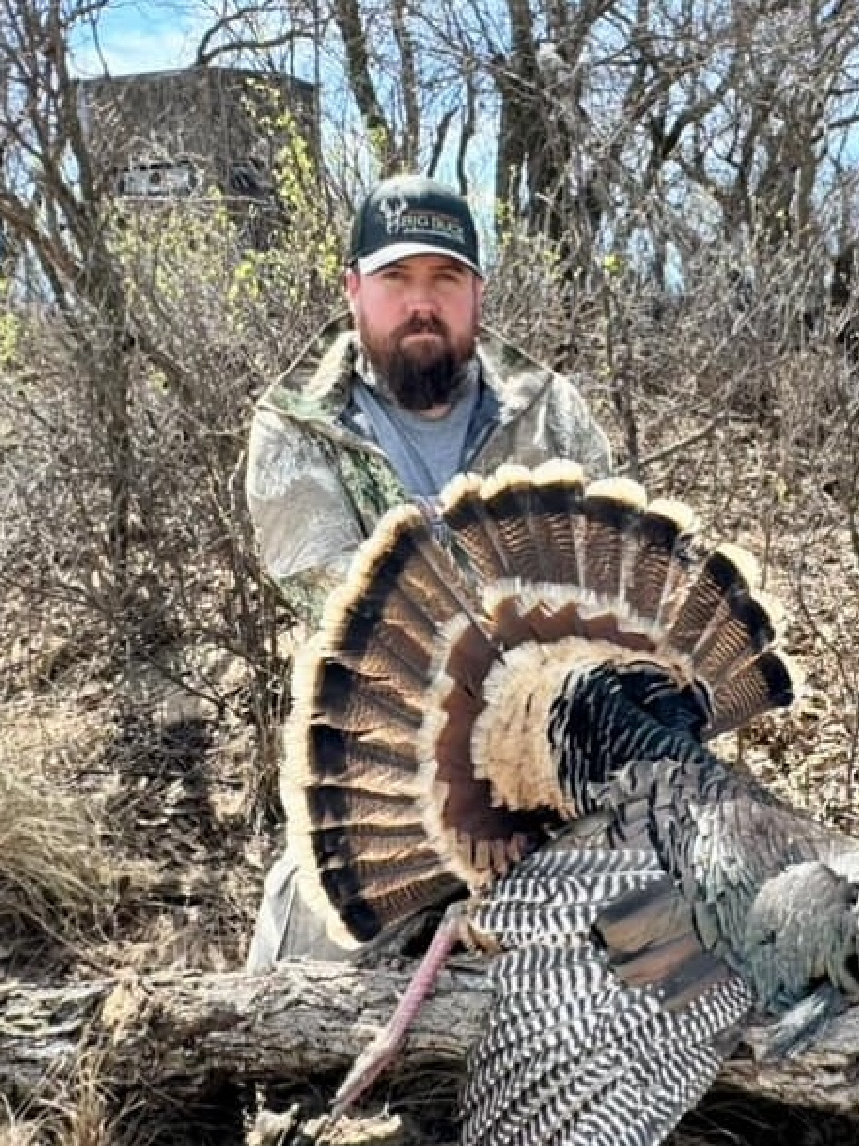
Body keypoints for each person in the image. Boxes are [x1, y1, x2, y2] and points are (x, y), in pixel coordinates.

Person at [244, 173, 613, 970]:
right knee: (301, 969)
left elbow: (605, 599)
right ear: (354, 291)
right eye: (396, 279)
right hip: (380, 773)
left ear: (477, 292)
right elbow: (345, 616)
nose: (422, 302)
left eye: (445, 279)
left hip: (550, 764)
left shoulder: (552, 411)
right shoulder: (296, 426)